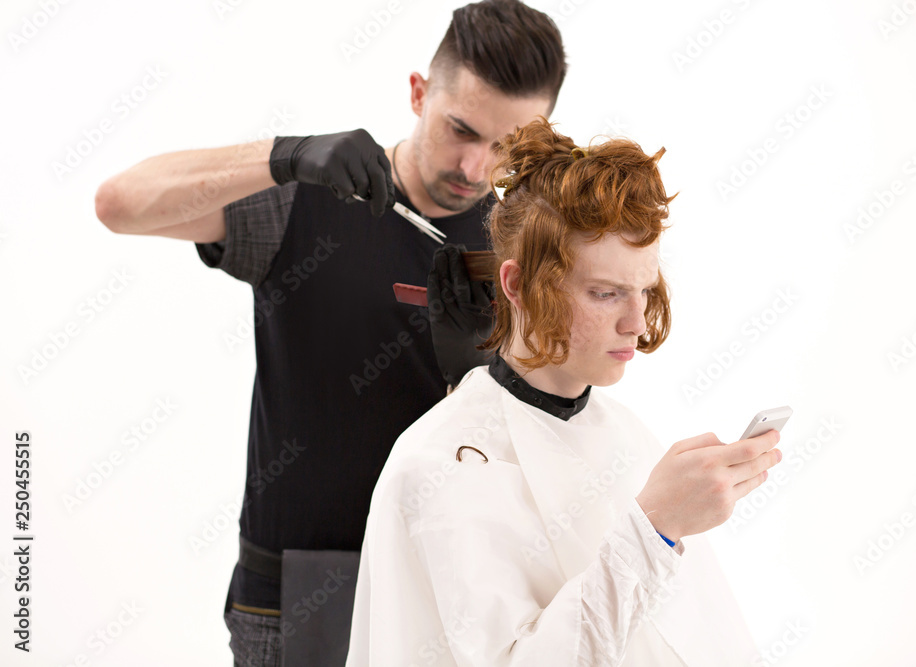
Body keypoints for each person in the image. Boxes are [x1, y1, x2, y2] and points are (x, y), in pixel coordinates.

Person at [92, 1, 567, 664]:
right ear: (418, 93)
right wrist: (284, 156)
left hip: (449, 597)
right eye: (460, 129)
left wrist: (472, 383)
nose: (474, 166)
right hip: (294, 598)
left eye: (506, 146)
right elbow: (119, 204)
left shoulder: (524, 250)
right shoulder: (307, 199)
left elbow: (546, 449)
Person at [347, 117, 781, 666]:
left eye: (644, 291)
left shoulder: (626, 432)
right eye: (605, 293)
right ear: (517, 285)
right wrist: (656, 529)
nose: (636, 323)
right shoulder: (439, 466)